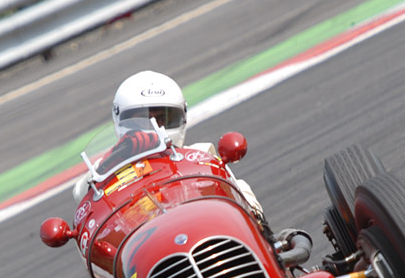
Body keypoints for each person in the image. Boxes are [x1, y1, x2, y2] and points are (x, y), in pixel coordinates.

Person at [73, 71, 264, 221]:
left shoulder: (200, 153)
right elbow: (80, 192)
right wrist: (118, 158)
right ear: (119, 119)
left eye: (163, 118)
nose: (154, 127)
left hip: (201, 225)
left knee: (241, 188)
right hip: (140, 243)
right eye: (141, 120)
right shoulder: (104, 169)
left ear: (182, 116)